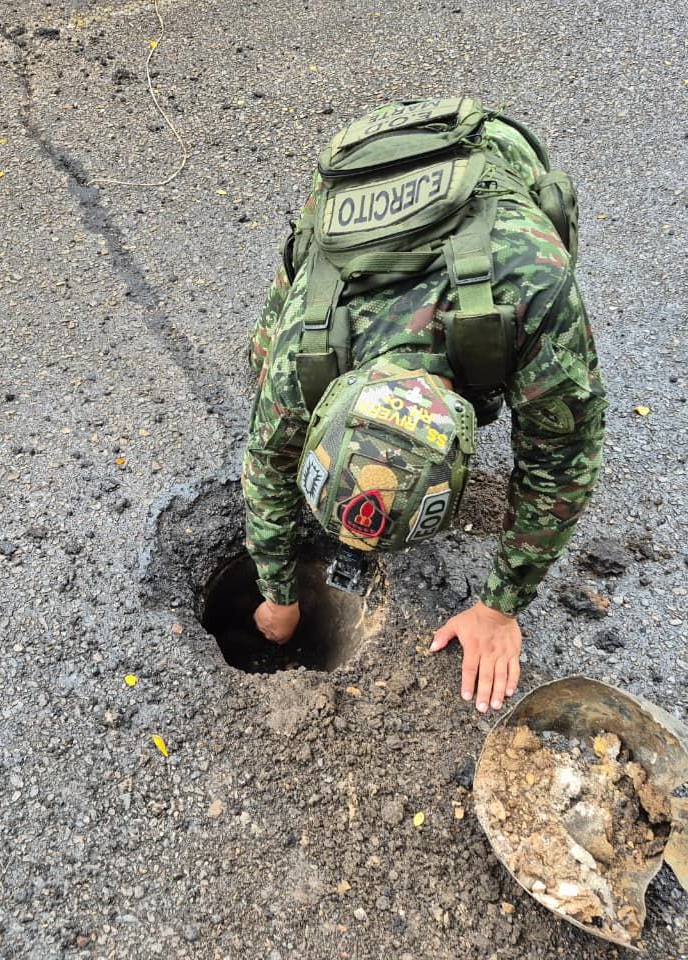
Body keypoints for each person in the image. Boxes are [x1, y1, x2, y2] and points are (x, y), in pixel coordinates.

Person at [243, 96, 607, 714]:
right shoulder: (303, 351)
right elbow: (266, 458)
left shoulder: (533, 290)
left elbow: (563, 465)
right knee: (262, 362)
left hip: (487, 166)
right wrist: (277, 590)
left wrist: (499, 606)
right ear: (324, 403)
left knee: (557, 398)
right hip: (359, 173)